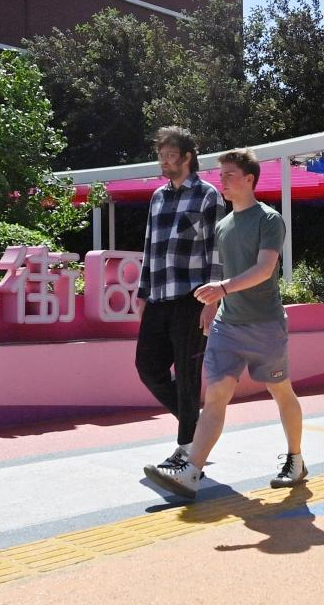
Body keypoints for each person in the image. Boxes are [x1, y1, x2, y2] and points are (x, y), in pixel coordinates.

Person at [145, 148, 307, 500]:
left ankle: (295, 459)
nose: (223, 181)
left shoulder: (269, 220)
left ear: (249, 179)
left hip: (264, 325)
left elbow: (264, 269)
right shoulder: (223, 225)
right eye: (221, 175)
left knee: (281, 392)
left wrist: (222, 289)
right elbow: (220, 269)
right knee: (216, 395)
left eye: (230, 175)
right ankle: (192, 471)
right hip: (227, 325)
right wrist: (214, 304)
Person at [135, 127, 223, 482]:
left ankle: (187, 450)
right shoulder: (157, 197)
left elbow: (216, 250)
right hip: (158, 296)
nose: (165, 162)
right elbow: (150, 246)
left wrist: (213, 300)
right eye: (162, 156)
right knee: (147, 367)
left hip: (193, 296)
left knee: (188, 376)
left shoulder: (208, 195)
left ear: (187, 157)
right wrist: (142, 291)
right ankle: (198, 428)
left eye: (171, 156)